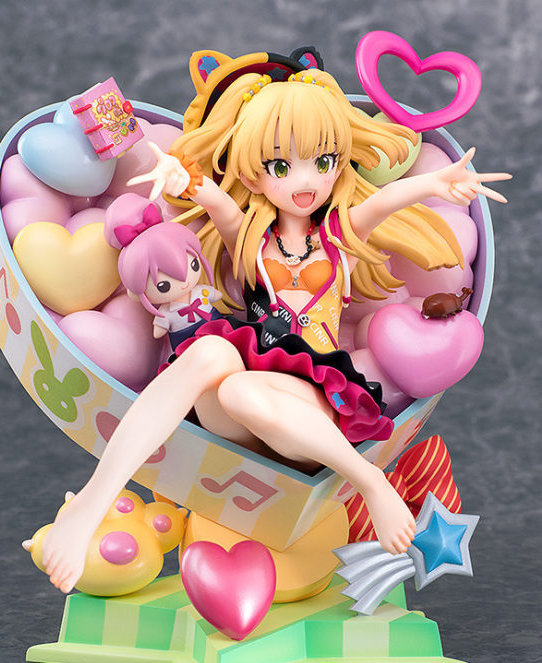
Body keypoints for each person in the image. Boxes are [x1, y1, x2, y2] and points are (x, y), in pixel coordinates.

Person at [42, 49, 510, 594]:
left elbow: (385, 202)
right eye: (282, 167)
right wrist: (175, 174)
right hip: (240, 412)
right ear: (252, 173)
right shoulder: (249, 239)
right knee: (212, 356)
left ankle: (370, 480)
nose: (305, 182)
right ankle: (93, 502)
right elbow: (207, 195)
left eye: (323, 161)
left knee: (239, 387)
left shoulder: (338, 237)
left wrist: (435, 185)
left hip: (312, 404)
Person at [104, 195, 222, 349]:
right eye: (163, 286)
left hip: (217, 328)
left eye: (193, 265)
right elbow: (158, 331)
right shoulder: (167, 312)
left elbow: (215, 295)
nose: (184, 283)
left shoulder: (201, 292)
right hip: (186, 342)